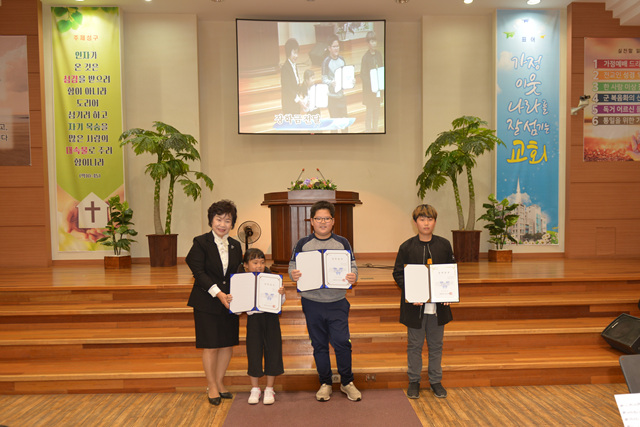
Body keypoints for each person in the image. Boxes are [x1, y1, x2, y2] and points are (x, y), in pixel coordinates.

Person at [288, 200, 361, 402]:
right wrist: (293, 274)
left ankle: (347, 382)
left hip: (337, 301)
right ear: (312, 221)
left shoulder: (342, 243)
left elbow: (353, 267)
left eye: (326, 218)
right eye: (318, 218)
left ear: (333, 221)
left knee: (341, 343)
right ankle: (325, 383)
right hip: (311, 302)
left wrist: (353, 276)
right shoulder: (302, 244)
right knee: (319, 344)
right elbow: (291, 267)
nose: (322, 222)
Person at [392, 204, 455, 400]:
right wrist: (412, 292)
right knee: (414, 345)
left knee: (436, 345)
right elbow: (398, 273)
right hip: (415, 308)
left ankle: (436, 381)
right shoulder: (406, 247)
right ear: (415, 222)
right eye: (422, 219)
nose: (426, 223)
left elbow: (451, 272)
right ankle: (414, 381)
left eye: (430, 219)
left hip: (438, 309)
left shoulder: (444, 245)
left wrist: (447, 294)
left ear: (435, 222)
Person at [186, 200, 243, 406]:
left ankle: (220, 382)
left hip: (230, 302)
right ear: (211, 220)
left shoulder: (236, 245)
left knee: (227, 344)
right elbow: (199, 273)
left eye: (227, 220)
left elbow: (238, 275)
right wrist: (219, 294)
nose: (222, 224)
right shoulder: (200, 242)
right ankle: (211, 385)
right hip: (207, 302)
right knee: (210, 346)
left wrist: (239, 297)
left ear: (232, 224)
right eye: (219, 219)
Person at [235, 248, 285, 405]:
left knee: (273, 351)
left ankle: (270, 388)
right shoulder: (241, 281)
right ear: (246, 265)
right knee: (254, 352)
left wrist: (281, 294)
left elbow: (280, 303)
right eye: (255, 262)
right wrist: (233, 301)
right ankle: (255, 388)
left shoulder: (271, 279)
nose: (259, 266)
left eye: (262, 262)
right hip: (254, 321)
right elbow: (237, 310)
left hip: (271, 320)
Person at [322, 35, 354, 131]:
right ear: (329, 48)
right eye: (334, 46)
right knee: (334, 126)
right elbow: (324, 78)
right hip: (332, 98)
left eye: (338, 46)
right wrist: (330, 82)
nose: (336, 48)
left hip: (341, 97)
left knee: (345, 124)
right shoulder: (326, 62)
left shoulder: (342, 59)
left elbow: (346, 76)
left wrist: (352, 81)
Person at [360, 31, 383, 132]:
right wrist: (372, 84)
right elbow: (363, 75)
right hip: (370, 90)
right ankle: (368, 130)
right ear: (368, 43)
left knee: (377, 109)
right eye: (371, 41)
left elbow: (382, 69)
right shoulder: (365, 57)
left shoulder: (379, 54)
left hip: (378, 89)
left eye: (375, 41)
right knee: (370, 110)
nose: (374, 43)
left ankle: (375, 129)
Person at [280, 38, 302, 115]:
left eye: (297, 53)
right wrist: (299, 101)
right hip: (289, 106)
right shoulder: (285, 68)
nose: (296, 56)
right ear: (289, 53)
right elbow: (288, 88)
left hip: (295, 105)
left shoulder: (294, 65)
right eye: (294, 53)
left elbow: (297, 83)